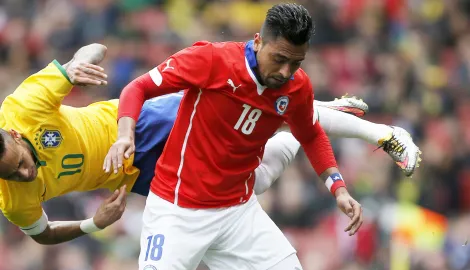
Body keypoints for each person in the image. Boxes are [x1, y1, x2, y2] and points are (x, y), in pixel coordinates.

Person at [104, 4, 404, 270]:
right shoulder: (212, 60)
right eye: (279, 58)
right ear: (259, 40)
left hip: (237, 211)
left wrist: (337, 187)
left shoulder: (296, 87)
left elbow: (310, 132)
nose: (286, 70)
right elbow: (137, 89)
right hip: (176, 209)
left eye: (297, 62)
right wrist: (125, 135)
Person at [0, 43, 418, 245]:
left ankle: (383, 134)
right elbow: (41, 234)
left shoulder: (24, 106)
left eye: (20, 162)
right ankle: (303, 118)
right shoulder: (11, 197)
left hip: (142, 124)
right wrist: (95, 225)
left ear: (15, 136)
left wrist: (75, 64)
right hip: (141, 175)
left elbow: (96, 47)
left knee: (241, 121)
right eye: (14, 176)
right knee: (251, 183)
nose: (25, 173)